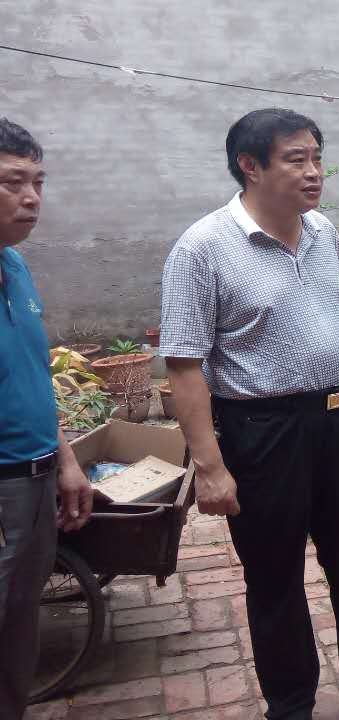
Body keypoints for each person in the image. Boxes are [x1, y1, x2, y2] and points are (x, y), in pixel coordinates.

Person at [160, 109, 339, 720]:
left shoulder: (323, 233)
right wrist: (210, 467)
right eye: (296, 159)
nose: (314, 172)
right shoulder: (202, 248)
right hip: (262, 431)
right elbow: (183, 365)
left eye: (317, 157)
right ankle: (290, 705)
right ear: (249, 165)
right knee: (274, 574)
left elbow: (336, 318)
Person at [0, 118, 94, 718]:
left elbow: (33, 375)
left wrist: (65, 460)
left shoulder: (13, 266)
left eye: (37, 181)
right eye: (13, 182)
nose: (32, 197)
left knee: (17, 630)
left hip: (32, 482)